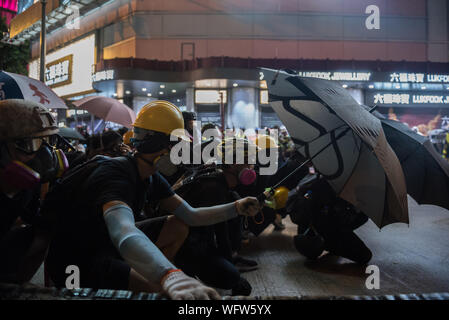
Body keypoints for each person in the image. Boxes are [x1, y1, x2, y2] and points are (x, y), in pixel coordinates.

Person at [42, 100, 261, 300]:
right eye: (174, 144)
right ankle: (148, 280)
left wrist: (236, 208)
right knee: (162, 293)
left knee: (178, 225)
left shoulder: (149, 175)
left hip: (108, 245)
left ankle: (145, 274)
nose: (178, 152)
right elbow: (124, 231)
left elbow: (190, 215)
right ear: (155, 143)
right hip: (79, 260)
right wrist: (171, 277)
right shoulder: (116, 175)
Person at [173, 137, 260, 295]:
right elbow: (220, 232)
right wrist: (233, 271)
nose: (251, 167)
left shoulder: (217, 178)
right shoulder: (213, 188)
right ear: (233, 163)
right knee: (230, 276)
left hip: (194, 240)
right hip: (186, 248)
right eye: (248, 161)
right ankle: (186, 274)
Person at [0, 99, 67, 284]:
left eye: (47, 141)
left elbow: (37, 223)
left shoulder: (28, 185)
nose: (44, 154)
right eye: (30, 144)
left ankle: (16, 288)